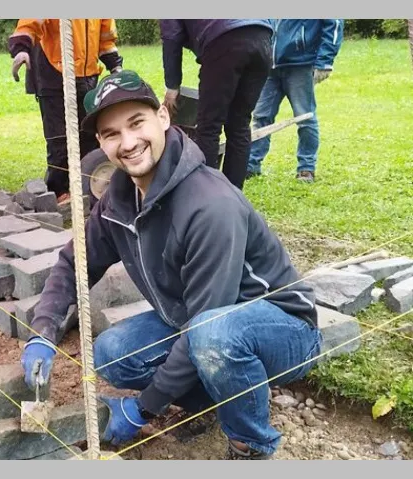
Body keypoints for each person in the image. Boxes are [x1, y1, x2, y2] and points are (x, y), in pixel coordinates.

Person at [20, 70, 322, 459]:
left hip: (283, 328)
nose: (128, 143)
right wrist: (42, 331)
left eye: (136, 123)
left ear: (163, 117)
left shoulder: (210, 205)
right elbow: (73, 263)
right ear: (100, 142)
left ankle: (251, 443)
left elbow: (208, 320)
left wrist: (144, 408)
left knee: (214, 336)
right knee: (113, 351)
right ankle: (216, 402)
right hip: (197, 319)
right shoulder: (118, 200)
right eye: (112, 134)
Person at [8, 19, 123, 203]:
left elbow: (105, 38)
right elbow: (30, 20)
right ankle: (58, 192)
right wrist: (21, 49)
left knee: (89, 134)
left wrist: (115, 65)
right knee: (59, 138)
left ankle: (90, 189)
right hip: (53, 73)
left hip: (88, 76)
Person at [159, 20, 273, 191]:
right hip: (262, 38)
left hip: (225, 40)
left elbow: (171, 37)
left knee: (209, 127)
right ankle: (234, 195)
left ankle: (208, 194)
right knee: (240, 125)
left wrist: (172, 86)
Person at [246, 19, 344, 183]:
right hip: (269, 64)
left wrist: (325, 61)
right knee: (261, 117)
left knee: (304, 118)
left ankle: (306, 168)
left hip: (301, 63)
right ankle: (251, 165)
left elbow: (334, 22)